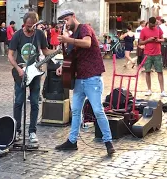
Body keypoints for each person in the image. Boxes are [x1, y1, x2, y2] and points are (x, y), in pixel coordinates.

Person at [54, 10, 115, 155]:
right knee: (75, 111)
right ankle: (72, 141)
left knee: (98, 110)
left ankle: (108, 142)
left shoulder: (85, 28)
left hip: (92, 77)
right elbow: (72, 57)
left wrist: (68, 40)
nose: (66, 24)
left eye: (67, 20)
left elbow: (87, 43)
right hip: (79, 78)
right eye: (63, 22)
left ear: (74, 17)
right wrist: (63, 67)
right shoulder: (72, 35)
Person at [8, 12, 56, 143]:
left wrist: (58, 51)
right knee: (18, 102)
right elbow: (10, 55)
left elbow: (45, 51)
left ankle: (32, 131)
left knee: (35, 102)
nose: (30, 28)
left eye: (33, 26)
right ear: (24, 23)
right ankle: (17, 130)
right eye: (28, 26)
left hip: (35, 73)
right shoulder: (17, 35)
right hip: (21, 73)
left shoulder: (40, 34)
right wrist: (18, 69)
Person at [139, 17, 167, 97]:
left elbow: (163, 39)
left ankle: (162, 91)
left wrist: (158, 40)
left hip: (157, 53)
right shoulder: (143, 30)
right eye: (153, 25)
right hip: (147, 54)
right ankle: (149, 90)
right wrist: (148, 40)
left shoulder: (158, 28)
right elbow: (140, 42)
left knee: (160, 72)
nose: (154, 26)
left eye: (155, 25)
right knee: (147, 72)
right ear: (149, 23)